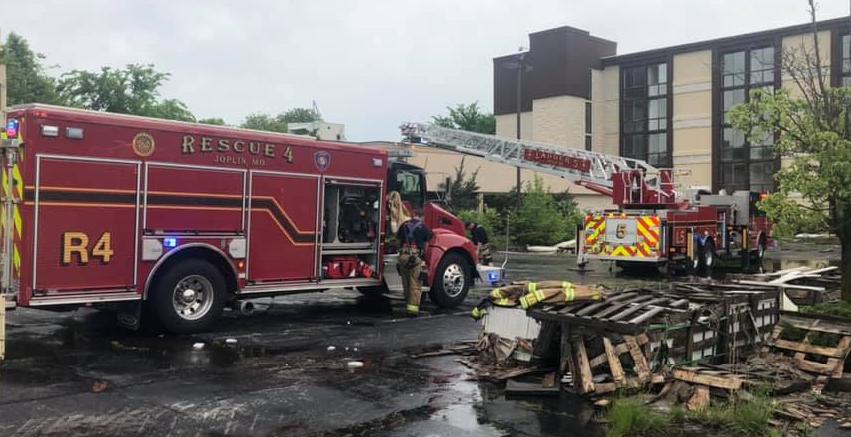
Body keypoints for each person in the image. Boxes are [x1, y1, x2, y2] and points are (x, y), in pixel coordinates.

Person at [397, 212, 433, 317]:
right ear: (422, 216)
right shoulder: (424, 228)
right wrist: (423, 258)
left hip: (403, 256)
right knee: (415, 284)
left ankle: (408, 302)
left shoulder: (403, 225)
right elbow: (426, 247)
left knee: (406, 281)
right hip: (415, 257)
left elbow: (398, 242)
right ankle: (412, 310)